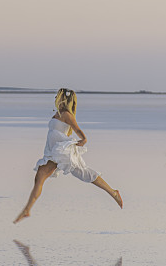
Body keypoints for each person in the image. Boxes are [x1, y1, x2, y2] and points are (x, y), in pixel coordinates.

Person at [13, 87, 123, 223]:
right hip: (51, 152)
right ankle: (27, 210)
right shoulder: (58, 113)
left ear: (63, 98)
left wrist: (79, 143)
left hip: (61, 152)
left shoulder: (66, 115)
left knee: (83, 173)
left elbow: (81, 134)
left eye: (57, 96)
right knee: (39, 179)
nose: (55, 98)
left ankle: (113, 192)